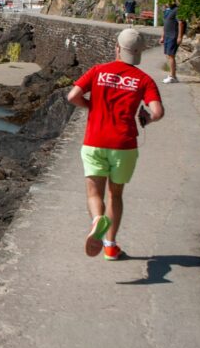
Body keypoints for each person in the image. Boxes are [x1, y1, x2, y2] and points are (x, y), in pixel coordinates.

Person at [66, 28, 164, 260]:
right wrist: (146, 119)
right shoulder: (144, 79)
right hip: (124, 144)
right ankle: (110, 246)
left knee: (94, 194)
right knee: (116, 195)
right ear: (138, 54)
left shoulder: (98, 71)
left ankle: (97, 219)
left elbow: (72, 96)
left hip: (94, 141)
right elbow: (158, 112)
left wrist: (91, 106)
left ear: (117, 48)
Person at [159, 1, 185, 83]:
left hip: (173, 36)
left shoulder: (177, 10)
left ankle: (173, 76)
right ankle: (172, 74)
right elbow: (165, 24)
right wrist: (162, 36)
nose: (168, 2)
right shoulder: (167, 11)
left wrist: (179, 37)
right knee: (168, 55)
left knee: (171, 55)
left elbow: (180, 23)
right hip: (167, 36)